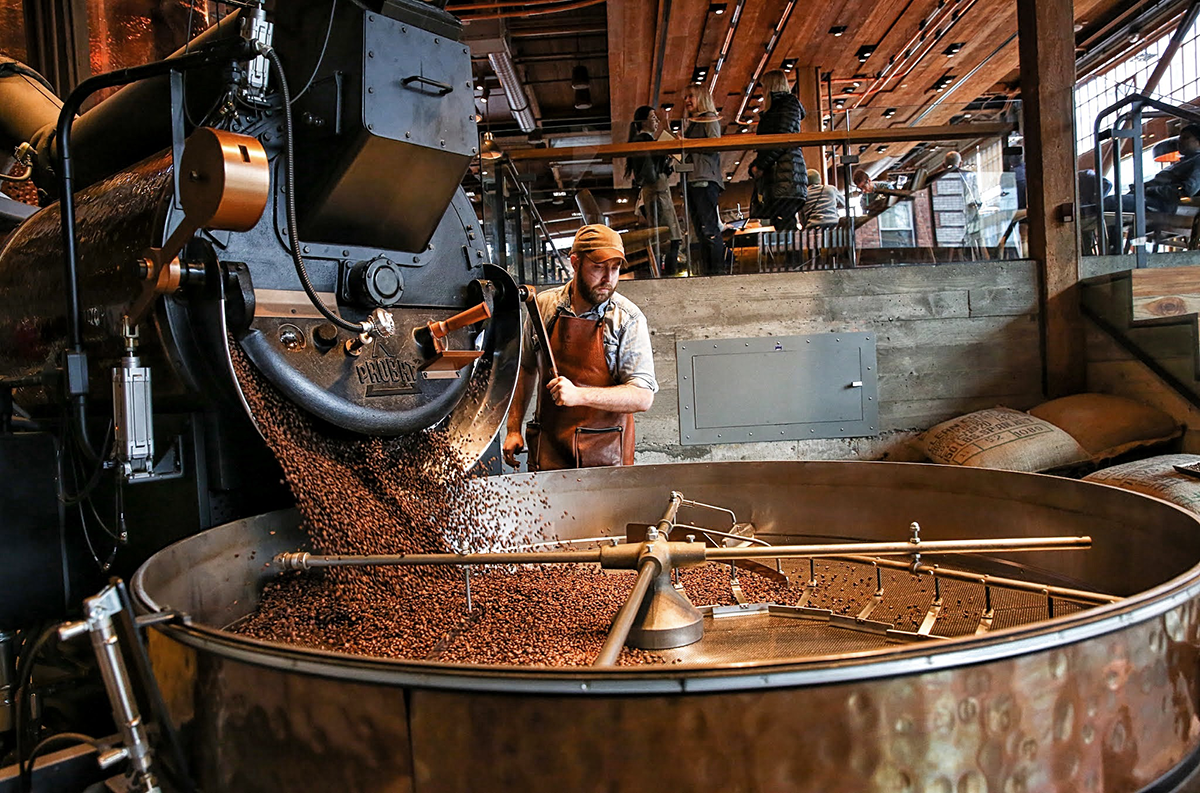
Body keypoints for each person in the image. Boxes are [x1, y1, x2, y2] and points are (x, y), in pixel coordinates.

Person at [502, 224, 658, 472]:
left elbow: (642, 397)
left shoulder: (626, 319)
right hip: (549, 449)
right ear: (575, 263)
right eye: (598, 267)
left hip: (605, 456)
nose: (608, 278)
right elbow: (526, 367)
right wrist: (513, 428)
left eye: (615, 268)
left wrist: (579, 395)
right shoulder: (544, 307)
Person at [625, 105, 683, 275]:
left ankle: (665, 274)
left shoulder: (642, 141)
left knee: (669, 237)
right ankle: (668, 276)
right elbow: (650, 174)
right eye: (653, 118)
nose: (656, 121)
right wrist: (664, 159)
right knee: (671, 237)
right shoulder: (643, 141)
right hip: (657, 193)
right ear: (643, 122)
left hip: (657, 192)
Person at [749, 69, 808, 231]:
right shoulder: (784, 106)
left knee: (785, 225)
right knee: (784, 224)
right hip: (786, 175)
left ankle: (799, 257)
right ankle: (799, 256)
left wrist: (760, 165)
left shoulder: (786, 104)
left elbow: (782, 140)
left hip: (785, 176)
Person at [683, 84, 729, 275]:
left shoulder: (709, 118)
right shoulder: (695, 123)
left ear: (701, 98)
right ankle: (709, 272)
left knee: (709, 229)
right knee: (702, 231)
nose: (687, 101)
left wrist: (688, 144)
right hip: (694, 179)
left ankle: (716, 272)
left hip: (704, 179)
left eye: (691, 96)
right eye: (686, 97)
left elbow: (714, 145)